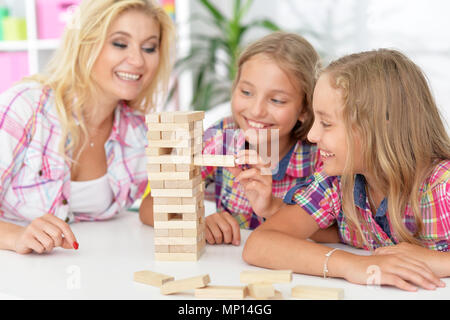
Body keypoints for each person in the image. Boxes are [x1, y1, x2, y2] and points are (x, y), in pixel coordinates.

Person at [243, 49, 450, 292]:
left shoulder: (442, 187)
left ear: (379, 128)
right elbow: (259, 244)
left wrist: (444, 262)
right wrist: (355, 266)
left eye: (326, 123)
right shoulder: (336, 180)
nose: (312, 135)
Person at [0, 0, 174, 254]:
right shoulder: (25, 107)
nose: (138, 61)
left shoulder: (140, 134)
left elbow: (155, 207)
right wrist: (15, 237)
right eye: (119, 43)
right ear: (84, 44)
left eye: (149, 47)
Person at [200, 32, 339, 246]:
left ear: (304, 108)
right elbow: (152, 204)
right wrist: (195, 221)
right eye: (246, 92)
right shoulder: (221, 137)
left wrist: (272, 208)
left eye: (276, 100)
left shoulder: (320, 156)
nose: (256, 110)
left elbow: (338, 234)